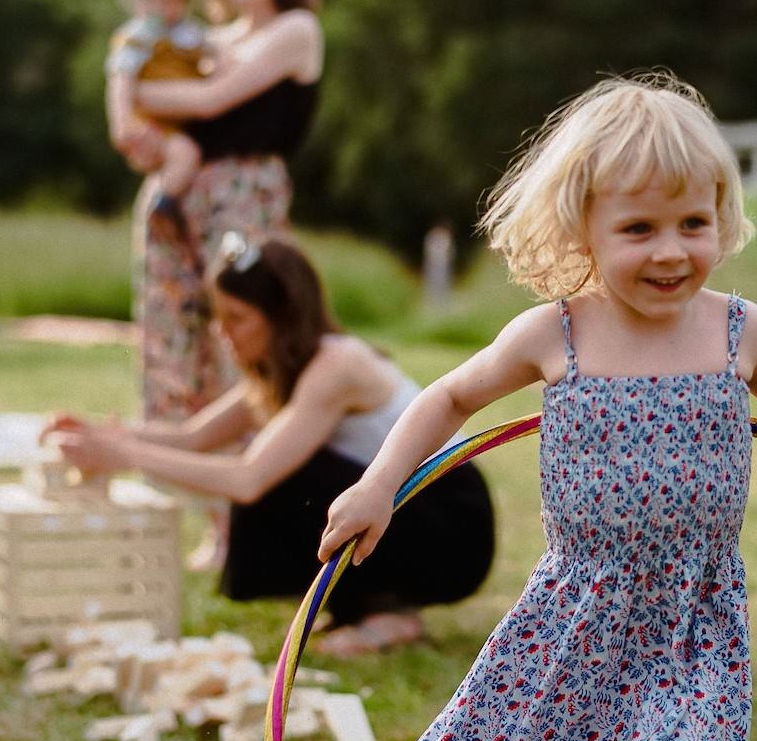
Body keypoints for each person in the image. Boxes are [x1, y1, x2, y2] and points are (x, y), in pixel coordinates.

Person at [317, 74, 757, 741]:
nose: (672, 251)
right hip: (573, 610)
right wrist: (380, 485)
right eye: (639, 228)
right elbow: (448, 397)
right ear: (583, 228)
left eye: (693, 224)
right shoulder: (555, 334)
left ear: (721, 215)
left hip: (694, 621)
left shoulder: (741, 331)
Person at [43, 235, 496, 654]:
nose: (224, 335)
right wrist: (102, 435)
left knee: (285, 476)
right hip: (410, 508)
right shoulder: (283, 369)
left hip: (453, 523)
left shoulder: (335, 365)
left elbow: (247, 479)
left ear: (280, 318)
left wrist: (123, 457)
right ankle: (357, 604)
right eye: (219, 320)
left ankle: (389, 609)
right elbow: (194, 437)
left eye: (237, 320)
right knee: (287, 466)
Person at [108, 0, 324, 569]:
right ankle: (211, 526)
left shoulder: (294, 29)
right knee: (173, 351)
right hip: (177, 194)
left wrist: (126, 87)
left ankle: (257, 527)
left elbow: (207, 103)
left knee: (247, 351)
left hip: (244, 194)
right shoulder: (204, 37)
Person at [107, 0, 208, 245]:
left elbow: (212, 57)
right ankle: (164, 207)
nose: (158, 7)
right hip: (152, 124)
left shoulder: (191, 35)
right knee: (185, 154)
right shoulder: (136, 37)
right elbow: (121, 78)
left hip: (181, 122)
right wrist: (122, 121)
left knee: (184, 155)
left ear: (182, 1)